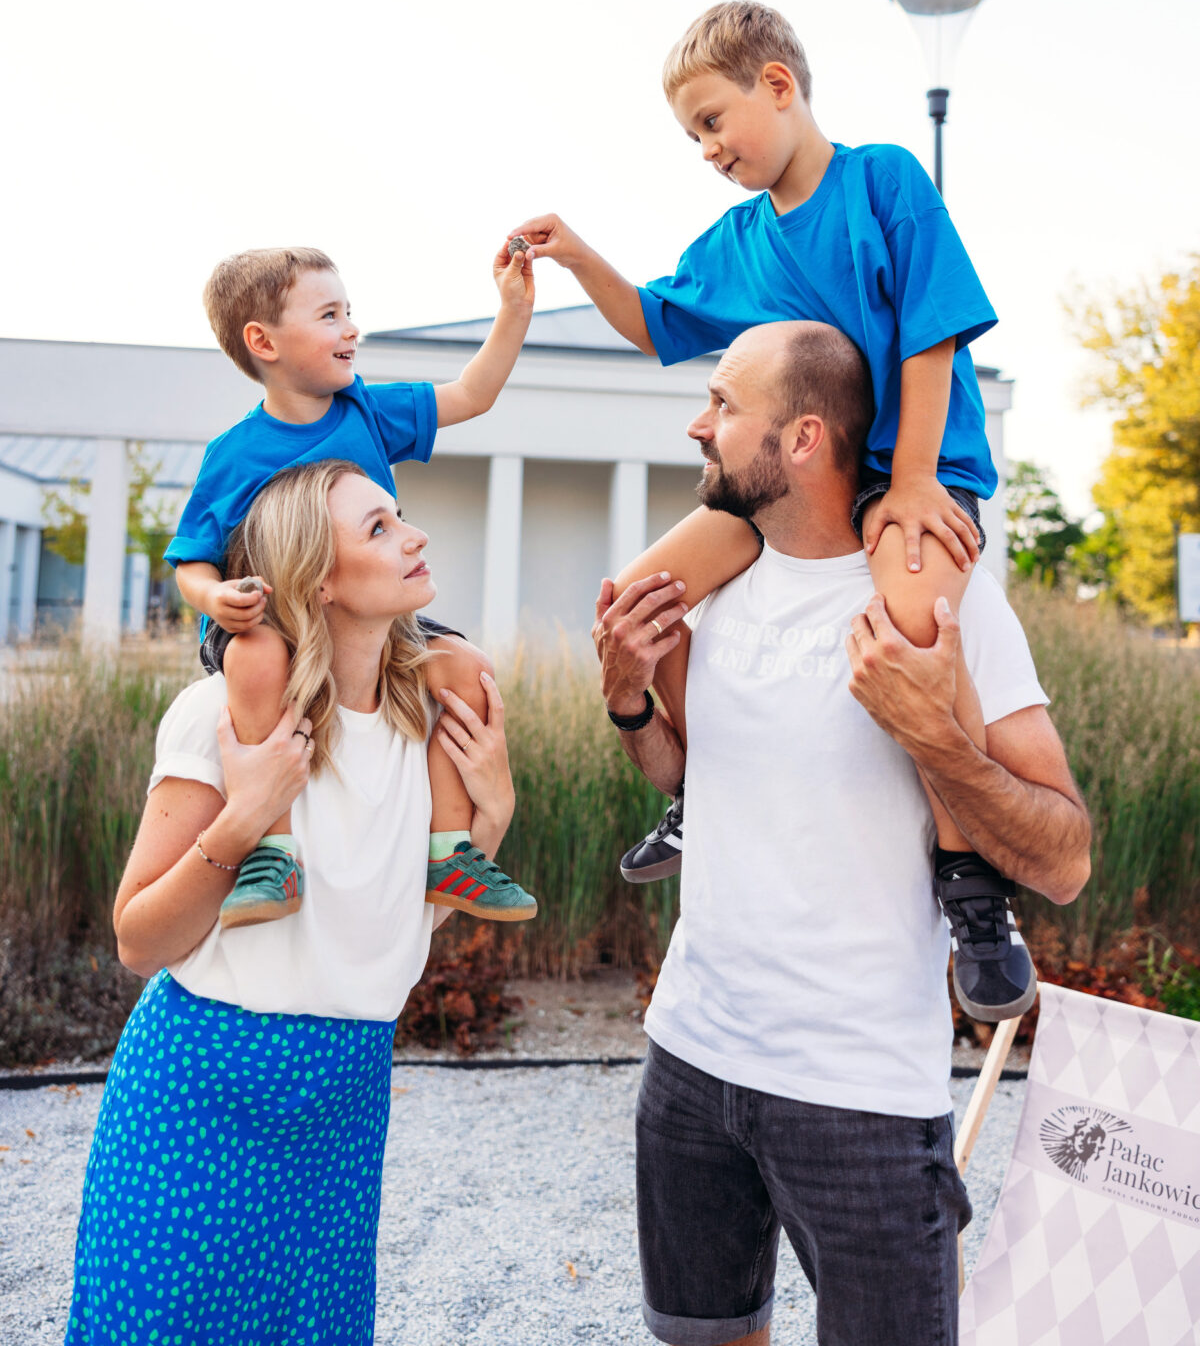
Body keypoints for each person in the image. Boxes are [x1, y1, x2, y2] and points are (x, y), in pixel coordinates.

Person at [510, 0, 1027, 1019]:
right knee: (639, 598)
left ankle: (974, 892)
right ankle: (702, 797)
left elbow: (933, 336)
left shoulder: (884, 183)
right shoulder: (739, 239)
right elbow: (655, 324)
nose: (703, 147)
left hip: (912, 466)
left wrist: (916, 481)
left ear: (778, 86)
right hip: (793, 477)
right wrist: (575, 256)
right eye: (689, 134)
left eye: (712, 121)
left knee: (917, 620)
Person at [593, 321, 1091, 1346]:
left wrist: (936, 742)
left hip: (858, 1096)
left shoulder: (944, 606)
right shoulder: (712, 595)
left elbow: (1065, 857)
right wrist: (631, 702)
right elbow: (693, 780)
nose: (699, 424)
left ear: (806, 439)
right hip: (689, 1057)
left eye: (725, 406)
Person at [66, 459, 518, 1345]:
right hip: (201, 1098)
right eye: (379, 529)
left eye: (401, 517)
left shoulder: (420, 730)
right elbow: (136, 940)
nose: (413, 536)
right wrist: (247, 816)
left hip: (344, 1106)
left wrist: (492, 816)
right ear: (318, 577)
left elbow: (400, 920)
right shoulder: (222, 720)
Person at [167, 243, 535, 929]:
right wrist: (218, 600)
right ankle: (272, 855)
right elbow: (191, 559)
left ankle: (449, 849)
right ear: (263, 341)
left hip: (370, 617)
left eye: (349, 312)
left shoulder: (365, 410)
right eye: (330, 315)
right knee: (259, 656)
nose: (351, 329)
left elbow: (473, 393)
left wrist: (513, 311)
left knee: (466, 667)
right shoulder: (235, 454)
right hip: (272, 622)